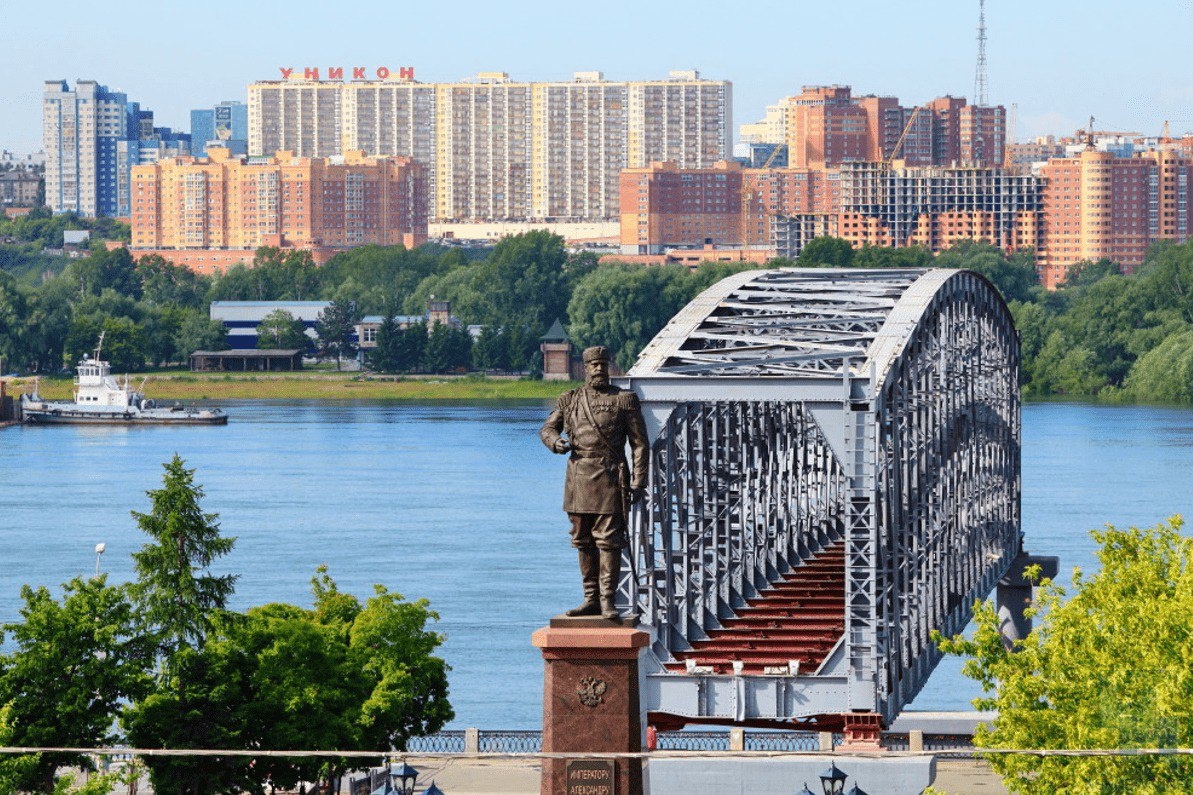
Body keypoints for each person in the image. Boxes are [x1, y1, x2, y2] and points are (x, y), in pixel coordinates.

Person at [540, 346, 649, 620]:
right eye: (594, 365)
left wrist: (638, 482)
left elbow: (639, 444)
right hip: (578, 478)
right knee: (582, 540)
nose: (599, 369)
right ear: (586, 368)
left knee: (609, 541)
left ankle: (608, 599)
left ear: (608, 366)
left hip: (611, 477)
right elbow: (548, 428)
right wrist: (555, 442)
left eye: (603, 364)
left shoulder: (625, 400)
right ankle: (590, 599)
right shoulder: (570, 399)